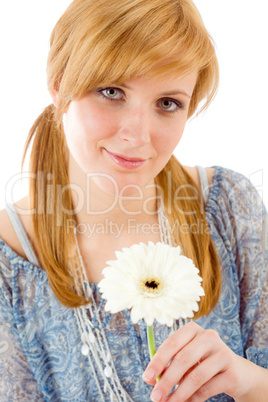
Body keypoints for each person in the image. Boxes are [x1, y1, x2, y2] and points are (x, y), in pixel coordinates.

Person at [0, 0, 267, 400]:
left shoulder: (228, 206)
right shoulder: (10, 262)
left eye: (167, 103)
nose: (138, 136)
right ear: (58, 84)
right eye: (111, 91)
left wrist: (248, 381)